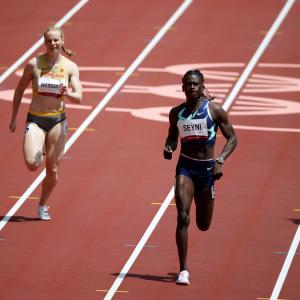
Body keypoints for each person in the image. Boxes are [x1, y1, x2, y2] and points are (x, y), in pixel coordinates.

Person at [163, 69, 237, 285]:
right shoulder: (176, 112)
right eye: (188, 84)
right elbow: (171, 137)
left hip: (206, 171)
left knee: (203, 224)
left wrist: (220, 160)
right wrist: (169, 147)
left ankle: (204, 209)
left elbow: (232, 138)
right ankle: (183, 270)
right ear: (183, 87)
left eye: (196, 84)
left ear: (202, 86)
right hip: (185, 167)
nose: (192, 87)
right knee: (182, 216)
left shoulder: (214, 111)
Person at [9, 26, 82, 220]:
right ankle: (38, 145)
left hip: (57, 120)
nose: (53, 44)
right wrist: (14, 118)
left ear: (62, 41)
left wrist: (69, 93)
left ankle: (42, 205)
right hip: (36, 118)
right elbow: (18, 91)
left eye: (56, 40)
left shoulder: (70, 67)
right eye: (49, 40)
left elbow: (79, 97)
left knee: (53, 168)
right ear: (44, 42)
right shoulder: (34, 64)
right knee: (33, 164)